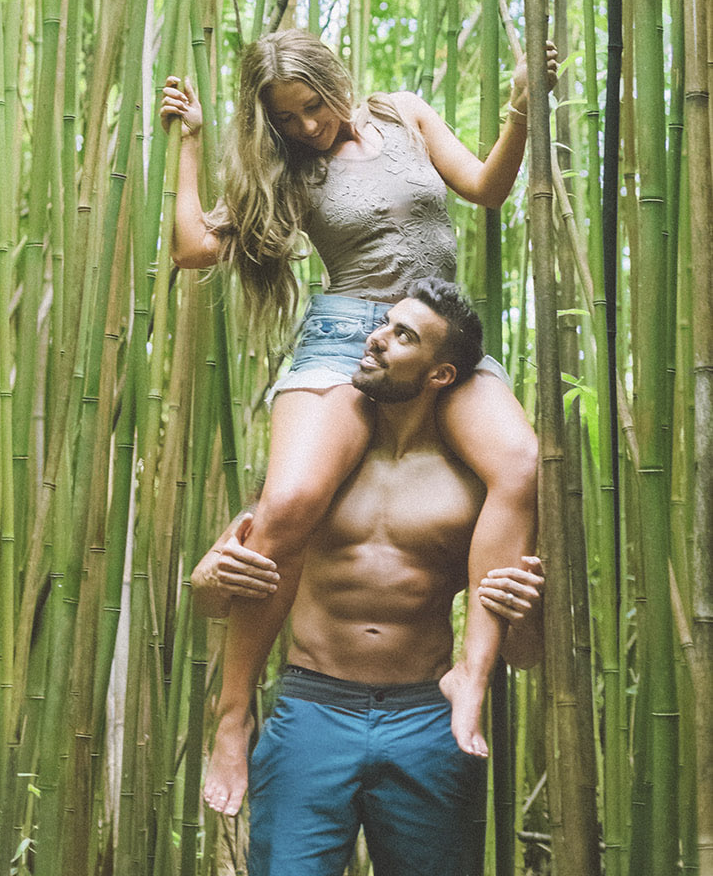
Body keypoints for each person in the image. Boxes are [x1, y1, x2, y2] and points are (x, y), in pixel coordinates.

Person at [161, 29, 554, 813]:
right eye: (286, 118)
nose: (305, 126)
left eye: (312, 106)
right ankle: (233, 712)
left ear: (333, 80)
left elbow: (484, 187)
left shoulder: (404, 113)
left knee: (519, 462)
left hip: (438, 331)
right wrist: (191, 145)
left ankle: (469, 674)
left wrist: (520, 109)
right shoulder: (286, 169)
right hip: (349, 338)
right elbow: (193, 250)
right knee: (291, 504)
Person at [191, 280, 544, 876]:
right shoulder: (310, 474)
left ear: (440, 374)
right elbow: (219, 602)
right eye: (383, 324)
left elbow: (529, 654)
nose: (375, 338)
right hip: (311, 710)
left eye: (403, 336)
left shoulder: (475, 489)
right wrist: (205, 580)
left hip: (427, 720)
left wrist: (529, 610)